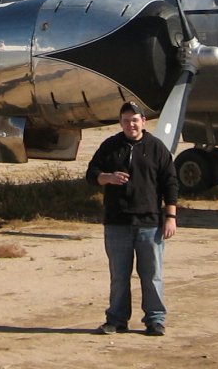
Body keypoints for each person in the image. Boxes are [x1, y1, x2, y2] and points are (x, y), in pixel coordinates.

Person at [86, 101, 178, 336]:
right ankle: (116, 320)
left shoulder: (156, 148)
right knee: (119, 276)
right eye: (126, 121)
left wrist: (170, 217)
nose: (131, 125)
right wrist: (107, 177)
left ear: (143, 122)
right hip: (117, 223)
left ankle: (155, 320)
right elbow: (91, 174)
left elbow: (170, 183)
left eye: (135, 120)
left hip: (149, 224)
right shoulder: (110, 146)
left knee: (152, 275)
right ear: (121, 123)